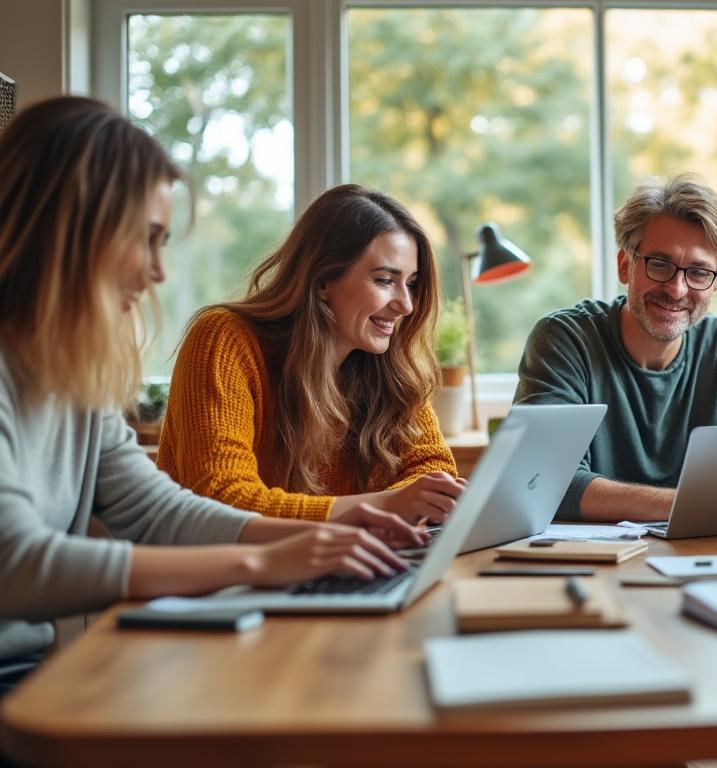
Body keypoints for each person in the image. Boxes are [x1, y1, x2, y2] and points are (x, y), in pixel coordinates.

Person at [0, 97, 423, 696]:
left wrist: (322, 540)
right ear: (70, 231)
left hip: (30, 676)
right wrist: (261, 560)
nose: (157, 271)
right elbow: (15, 565)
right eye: (144, 239)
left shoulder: (71, 372)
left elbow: (156, 513)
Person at [157, 185, 465, 524]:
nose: (405, 305)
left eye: (411, 283)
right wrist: (387, 507)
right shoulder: (224, 340)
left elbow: (432, 471)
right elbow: (222, 498)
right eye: (384, 280)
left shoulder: (387, 367)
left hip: (335, 567)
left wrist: (405, 503)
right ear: (322, 282)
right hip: (219, 573)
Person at [514, 173, 717, 522]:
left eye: (699, 273)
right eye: (659, 264)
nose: (677, 289)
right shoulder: (565, 339)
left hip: (704, 558)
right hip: (592, 565)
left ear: (716, 284)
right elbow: (543, 482)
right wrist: (694, 505)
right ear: (625, 265)